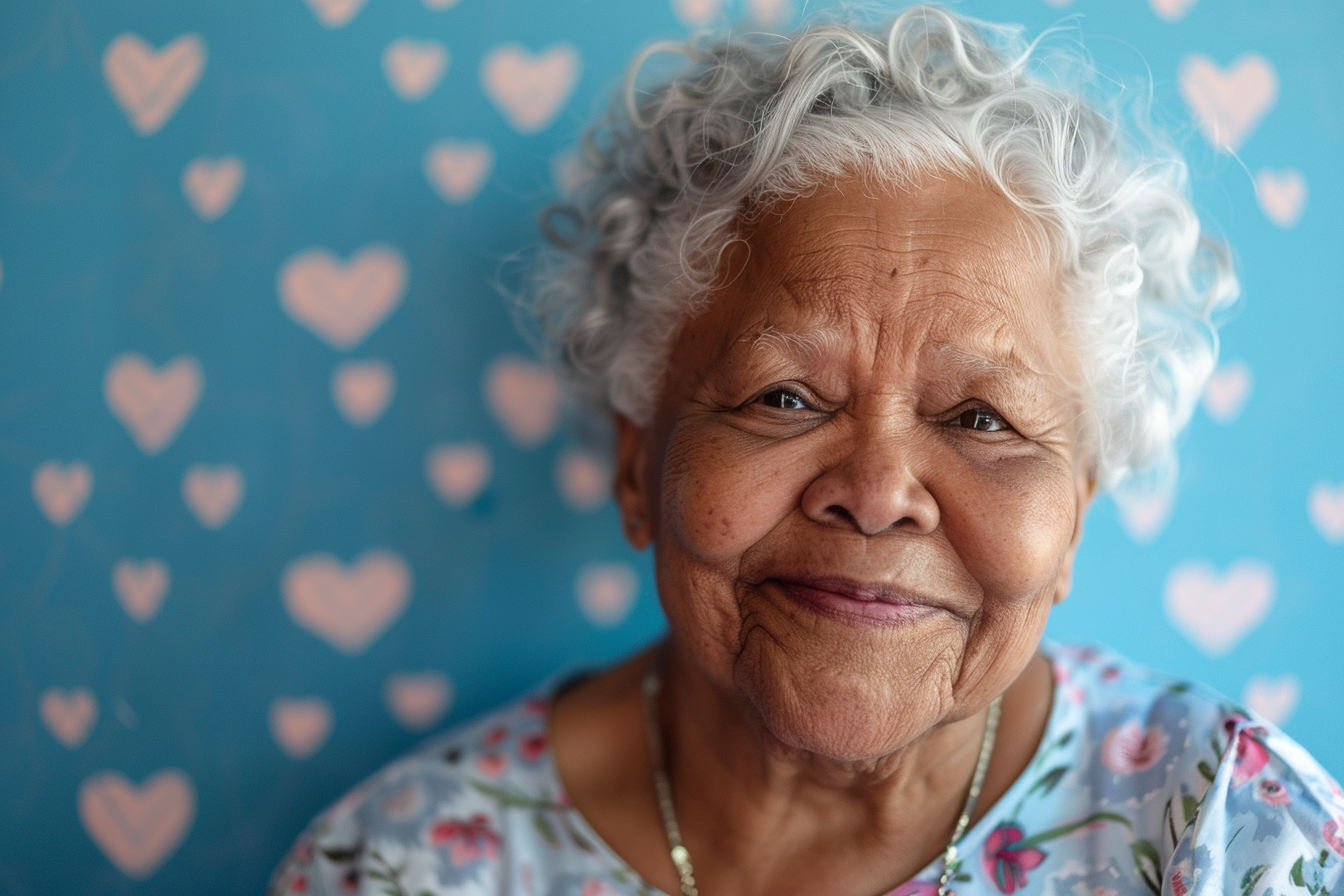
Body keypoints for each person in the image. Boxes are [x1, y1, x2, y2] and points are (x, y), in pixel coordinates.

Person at [268, 7, 1344, 895]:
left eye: (981, 418)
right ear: (640, 464)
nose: (877, 494)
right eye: (784, 395)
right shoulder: (404, 863)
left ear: (1074, 514)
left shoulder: (1226, 831)